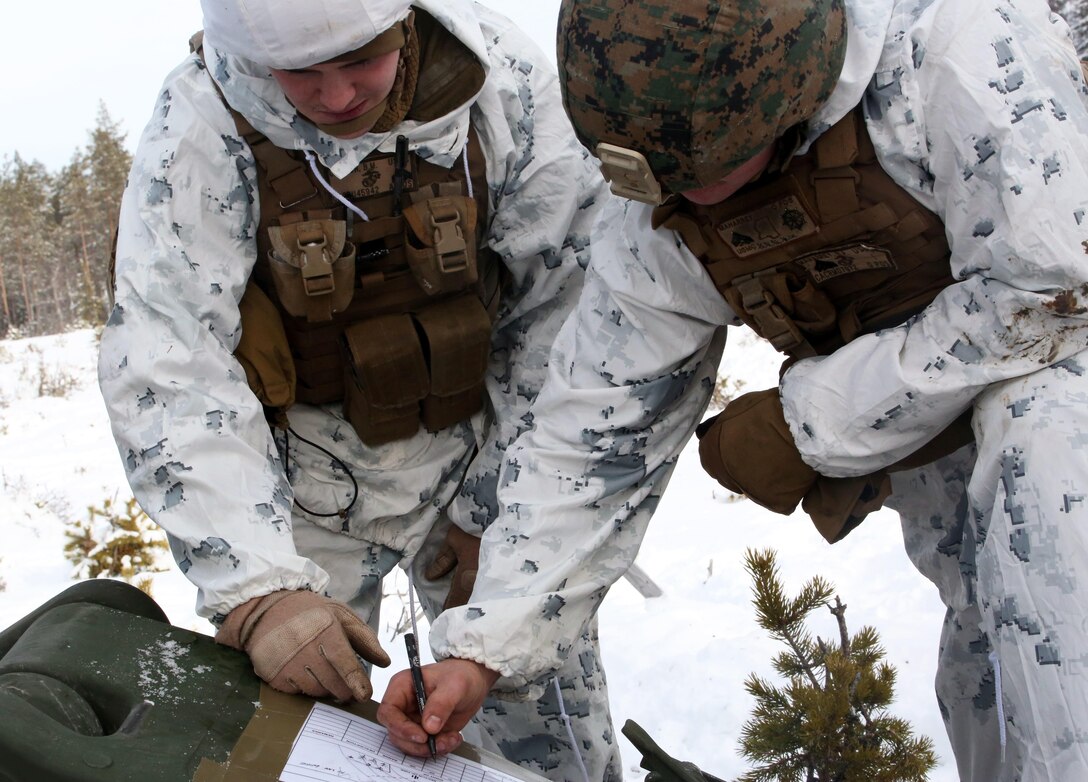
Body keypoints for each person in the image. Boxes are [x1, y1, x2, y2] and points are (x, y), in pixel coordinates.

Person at [380, 0, 1088, 779]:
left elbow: (1054, 292)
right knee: (989, 659)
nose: (684, 196)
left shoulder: (957, 56)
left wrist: (807, 420)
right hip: (952, 481)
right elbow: (595, 438)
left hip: (1061, 436)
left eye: (706, 168)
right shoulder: (669, 184)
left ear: (792, 90)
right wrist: (480, 649)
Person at [98, 0, 624, 779]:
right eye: (301, 72)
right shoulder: (201, 120)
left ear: (406, 24)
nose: (337, 96)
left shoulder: (498, 80)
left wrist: (503, 507)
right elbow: (168, 358)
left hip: (478, 444)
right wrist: (261, 591)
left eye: (360, 60)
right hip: (299, 489)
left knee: (542, 710)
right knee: (295, 740)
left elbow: (577, 304)